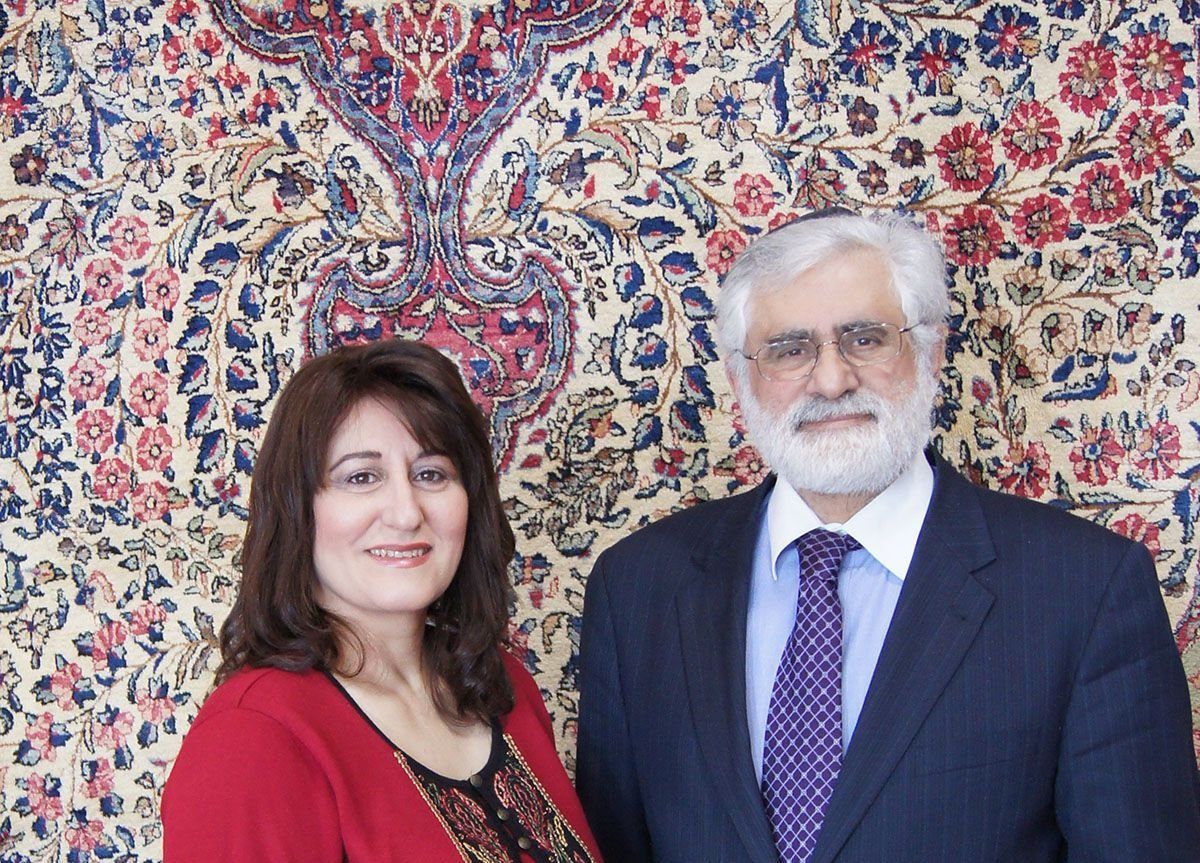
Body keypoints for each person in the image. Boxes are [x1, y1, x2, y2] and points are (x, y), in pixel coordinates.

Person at [576, 208, 1200, 862]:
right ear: (740, 380)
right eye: (789, 349)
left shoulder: (1085, 592)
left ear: (930, 350)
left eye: (865, 338)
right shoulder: (637, 589)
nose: (831, 378)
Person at [163, 339, 601, 862]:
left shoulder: (501, 686)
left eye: (431, 474)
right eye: (361, 477)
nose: (405, 512)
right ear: (297, 509)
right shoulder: (254, 738)